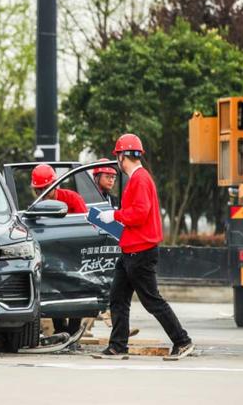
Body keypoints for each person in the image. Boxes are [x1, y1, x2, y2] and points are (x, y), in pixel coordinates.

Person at [94, 133, 194, 360]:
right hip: (131, 250)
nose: (117, 160)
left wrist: (114, 215)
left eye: (117, 155)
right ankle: (118, 346)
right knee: (118, 298)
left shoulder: (139, 179)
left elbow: (139, 213)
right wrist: (114, 218)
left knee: (152, 301)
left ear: (121, 156)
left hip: (140, 252)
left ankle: (182, 341)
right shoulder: (138, 179)